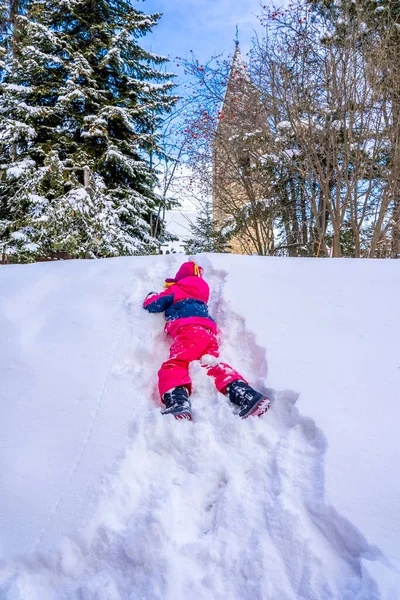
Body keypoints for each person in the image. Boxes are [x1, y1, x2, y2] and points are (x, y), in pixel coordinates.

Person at [143, 260, 270, 421]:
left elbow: (154, 304)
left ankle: (177, 403)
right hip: (208, 333)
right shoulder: (201, 294)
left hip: (189, 331)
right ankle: (248, 396)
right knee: (212, 365)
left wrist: (151, 296)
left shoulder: (177, 289)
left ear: (179, 277)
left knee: (176, 363)